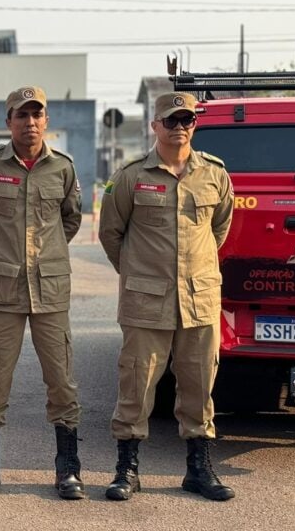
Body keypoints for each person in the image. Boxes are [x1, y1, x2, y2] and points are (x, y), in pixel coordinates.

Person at [98, 91, 236, 502]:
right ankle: (127, 469)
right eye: (171, 121)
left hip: (199, 301)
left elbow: (220, 230)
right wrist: (139, 274)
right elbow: (111, 234)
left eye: (187, 120)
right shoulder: (129, 176)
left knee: (199, 388)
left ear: (195, 125)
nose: (179, 127)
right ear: (154, 126)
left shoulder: (215, 175)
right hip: (146, 302)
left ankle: (198, 469)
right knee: (136, 387)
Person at [0, 86, 85, 499]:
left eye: (37, 115)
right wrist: (1, 254)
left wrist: (43, 257)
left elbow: (70, 221)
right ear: (8, 121)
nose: (29, 123)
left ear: (46, 120)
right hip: (2, 289)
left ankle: (68, 469)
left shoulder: (63, 168)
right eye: (21, 115)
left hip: (50, 290)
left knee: (62, 381)